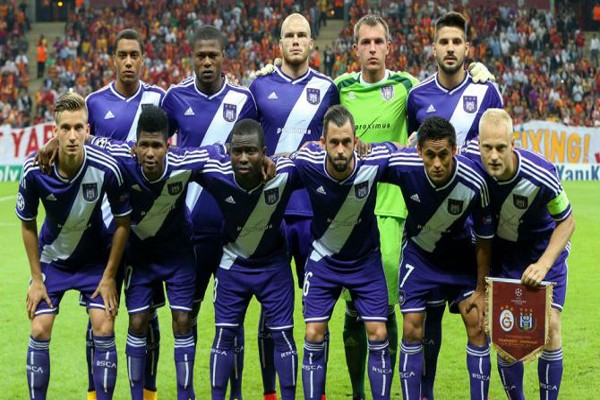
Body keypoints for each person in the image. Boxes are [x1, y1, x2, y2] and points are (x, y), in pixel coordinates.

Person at [89, 105, 225, 400]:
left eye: (157, 146)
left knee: (183, 320)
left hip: (178, 254)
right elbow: (90, 142)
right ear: (135, 146)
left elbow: (219, 150)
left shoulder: (184, 161)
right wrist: (52, 145)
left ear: (168, 145)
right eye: (144, 145)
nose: (150, 153)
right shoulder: (122, 156)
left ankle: (185, 395)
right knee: (137, 322)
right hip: (139, 256)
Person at [405, 12, 502, 398]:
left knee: (477, 321)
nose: (450, 48)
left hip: (470, 233)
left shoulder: (487, 92)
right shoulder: (417, 97)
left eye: (456, 42)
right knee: (426, 324)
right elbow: (411, 156)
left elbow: (499, 149)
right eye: (443, 42)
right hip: (427, 235)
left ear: (467, 48)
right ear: (433, 48)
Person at [161, 24, 258, 400]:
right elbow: (156, 151)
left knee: (231, 320)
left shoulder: (243, 99)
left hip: (233, 231)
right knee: (186, 315)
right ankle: (187, 392)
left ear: (223, 57)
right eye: (200, 55)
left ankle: (234, 393)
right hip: (190, 229)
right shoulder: (174, 98)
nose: (206, 61)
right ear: (191, 57)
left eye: (212, 55)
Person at [18, 92, 131, 400]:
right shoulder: (35, 170)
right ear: (54, 131)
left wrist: (109, 277)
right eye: (65, 128)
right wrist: (36, 279)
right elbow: (27, 224)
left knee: (104, 326)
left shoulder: (106, 167)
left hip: (95, 261)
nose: (71, 136)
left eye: (78, 127)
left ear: (87, 130)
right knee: (39, 328)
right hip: (52, 259)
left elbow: (123, 222)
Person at [249, 13, 339, 400]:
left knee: (317, 310)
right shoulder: (258, 86)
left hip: (314, 213)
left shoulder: (328, 88)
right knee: (271, 307)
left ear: (312, 43)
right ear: (280, 43)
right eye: (290, 35)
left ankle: (317, 392)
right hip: (268, 213)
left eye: (303, 35)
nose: (297, 40)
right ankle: (271, 393)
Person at [334, 15, 418, 398]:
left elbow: (438, 105)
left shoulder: (406, 86)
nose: (372, 48)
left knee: (385, 306)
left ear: (389, 47)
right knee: (353, 306)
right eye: (365, 42)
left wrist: (479, 74)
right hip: (348, 211)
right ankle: (357, 392)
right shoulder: (340, 88)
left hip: (390, 210)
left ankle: (383, 390)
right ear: (355, 49)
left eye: (378, 42)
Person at [467, 109, 575, 400]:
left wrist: (543, 264)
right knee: (505, 335)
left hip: (543, 248)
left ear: (513, 145)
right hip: (503, 253)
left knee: (551, 326)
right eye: (487, 147)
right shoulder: (469, 162)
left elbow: (567, 221)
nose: (493, 156)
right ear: (478, 144)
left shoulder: (541, 172)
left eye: (501, 147)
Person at [291, 105, 394, 400]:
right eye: (334, 142)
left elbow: (403, 152)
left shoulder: (373, 162)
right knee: (313, 334)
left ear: (356, 141)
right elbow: (279, 163)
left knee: (379, 333)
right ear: (322, 142)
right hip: (323, 260)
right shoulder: (307, 162)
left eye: (346, 142)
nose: (340, 150)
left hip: (365, 260)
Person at [84, 28, 166, 400]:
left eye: (135, 55)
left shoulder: (159, 99)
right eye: (122, 55)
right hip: (104, 225)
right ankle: (95, 395)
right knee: (99, 318)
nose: (129, 62)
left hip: (146, 228)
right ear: (113, 59)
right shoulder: (95, 102)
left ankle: (147, 395)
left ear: (143, 59)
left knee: (146, 316)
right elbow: (78, 142)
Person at [387, 116, 493, 400]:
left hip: (460, 257)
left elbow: (484, 238)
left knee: (477, 324)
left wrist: (481, 289)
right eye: (430, 155)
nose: (437, 163)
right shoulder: (404, 166)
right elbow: (374, 159)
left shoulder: (475, 182)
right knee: (412, 327)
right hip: (419, 256)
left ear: (454, 150)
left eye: (443, 155)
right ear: (418, 151)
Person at [201, 119, 298, 400]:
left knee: (283, 337)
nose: (243, 158)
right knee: (224, 337)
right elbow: (179, 157)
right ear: (230, 151)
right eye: (238, 151)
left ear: (264, 152)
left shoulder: (284, 173)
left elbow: (315, 158)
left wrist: (283, 156)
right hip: (233, 263)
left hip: (274, 265)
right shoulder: (215, 172)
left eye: (251, 152)